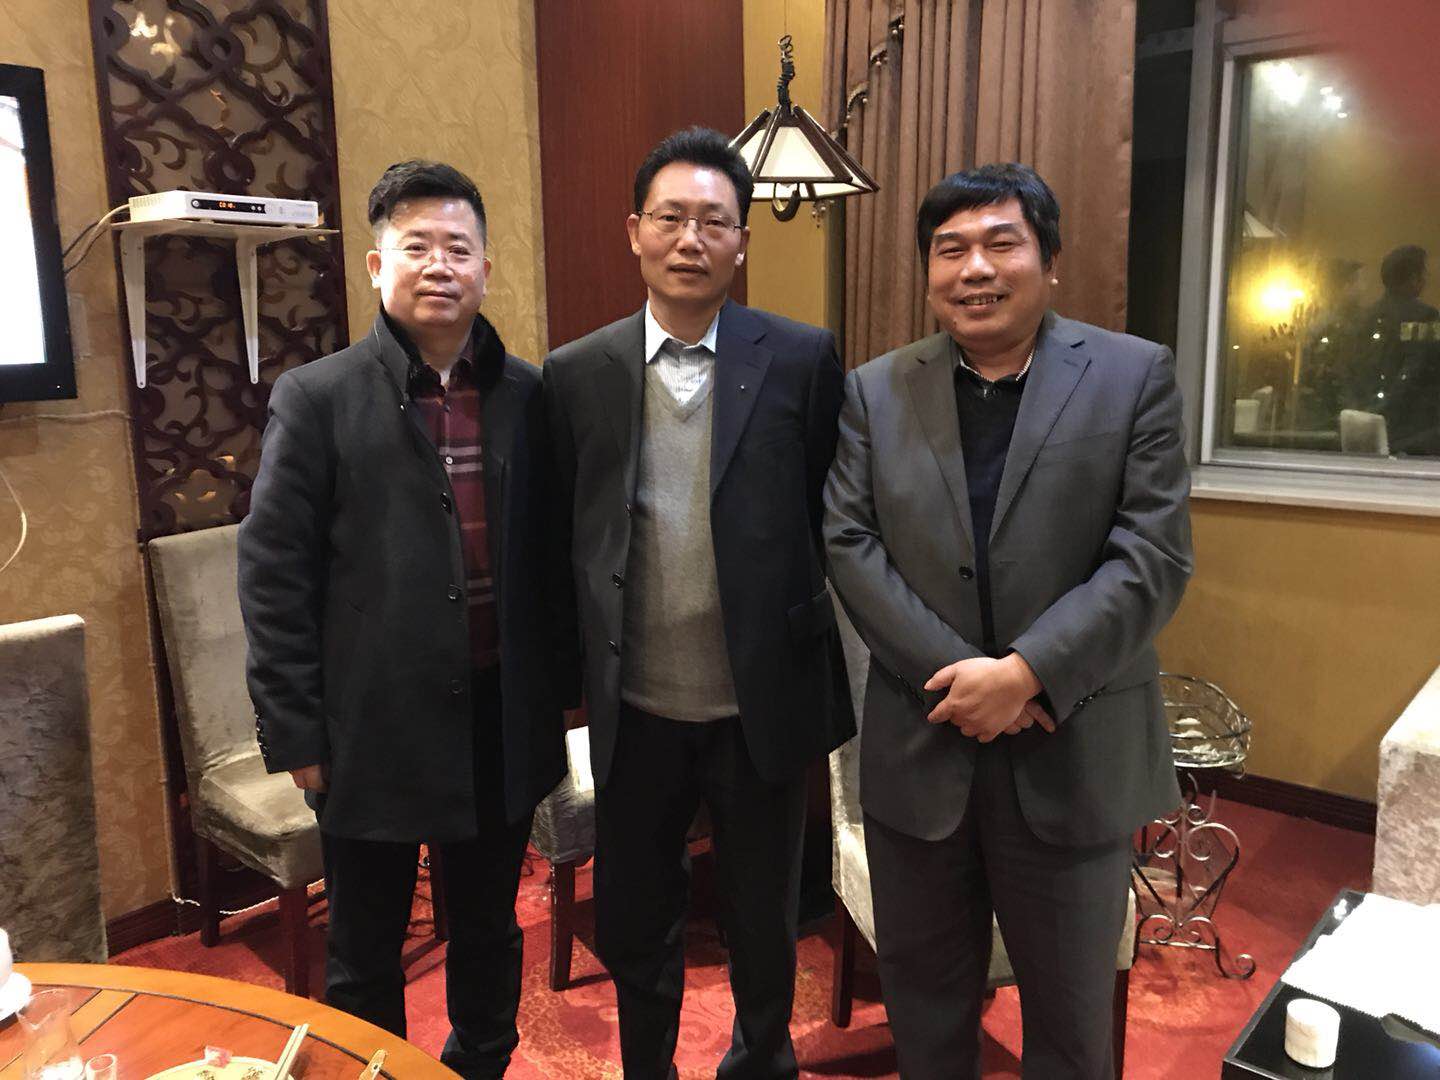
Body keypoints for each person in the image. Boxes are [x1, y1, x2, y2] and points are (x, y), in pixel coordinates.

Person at [823, 162, 1192, 1080]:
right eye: (950, 250)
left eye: (1001, 243)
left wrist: (1026, 673)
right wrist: (969, 680)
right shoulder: (874, 391)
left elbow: (1151, 555)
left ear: (1049, 260)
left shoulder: (1132, 375)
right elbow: (849, 542)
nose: (975, 269)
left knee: (1070, 1027)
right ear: (928, 272)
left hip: (1072, 749)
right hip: (925, 744)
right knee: (924, 1013)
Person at [237, 160, 570, 1078]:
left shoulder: (530, 396)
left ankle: (478, 1066)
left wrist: (560, 695)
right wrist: (296, 731)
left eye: (458, 248)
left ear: (486, 269)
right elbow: (272, 578)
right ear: (376, 267)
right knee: (364, 949)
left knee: (490, 930)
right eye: (416, 246)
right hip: (369, 726)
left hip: (499, 718)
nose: (439, 265)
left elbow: (554, 558)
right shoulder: (319, 397)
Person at [543, 126, 853, 1080]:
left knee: (764, 916)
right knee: (640, 919)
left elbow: (827, 515)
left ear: (741, 242)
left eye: (714, 221)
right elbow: (565, 536)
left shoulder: (801, 357)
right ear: (634, 231)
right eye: (670, 217)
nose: (690, 238)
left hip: (760, 701)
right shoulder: (577, 372)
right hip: (635, 707)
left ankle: (761, 1061)